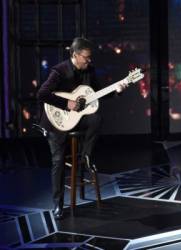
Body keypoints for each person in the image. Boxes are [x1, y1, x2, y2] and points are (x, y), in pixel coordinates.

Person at [37, 37, 126, 219]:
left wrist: (117, 90)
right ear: (75, 55)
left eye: (90, 57)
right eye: (86, 57)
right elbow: (42, 94)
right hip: (57, 122)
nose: (89, 60)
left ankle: (86, 155)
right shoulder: (59, 71)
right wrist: (66, 103)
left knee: (96, 119)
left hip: (77, 119)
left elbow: (98, 94)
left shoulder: (89, 71)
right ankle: (58, 205)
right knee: (58, 161)